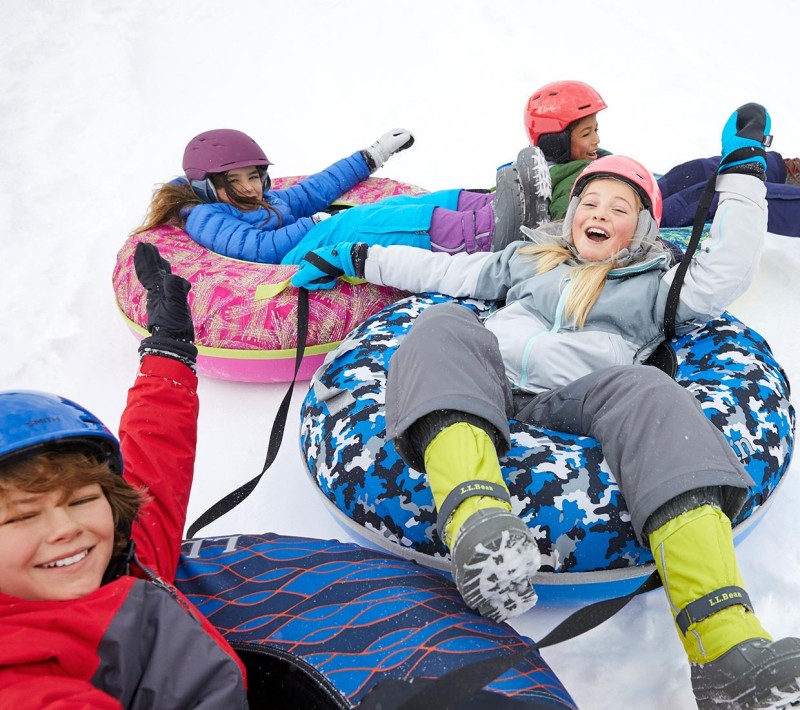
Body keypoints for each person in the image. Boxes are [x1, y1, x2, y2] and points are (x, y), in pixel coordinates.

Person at [289, 104, 800, 709]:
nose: (600, 214)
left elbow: (730, 265)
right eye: (590, 203)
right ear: (571, 214)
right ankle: (481, 530)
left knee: (653, 392)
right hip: (486, 385)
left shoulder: (658, 285)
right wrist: (357, 259)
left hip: (578, 403)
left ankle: (726, 648)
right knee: (444, 321)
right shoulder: (528, 261)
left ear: (639, 227)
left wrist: (741, 168)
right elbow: (444, 271)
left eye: (619, 208)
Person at [0, 243, 247, 706]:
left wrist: (169, 346)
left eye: (80, 501)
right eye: (20, 517)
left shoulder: (117, 558)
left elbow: (154, 462)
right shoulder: (21, 677)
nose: (66, 529)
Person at [136, 127, 543, 265]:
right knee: (363, 222)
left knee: (392, 207)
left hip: (303, 239)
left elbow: (315, 189)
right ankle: (487, 234)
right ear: (208, 186)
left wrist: (372, 155)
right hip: (289, 260)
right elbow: (260, 250)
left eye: (254, 176)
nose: (248, 188)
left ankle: (488, 204)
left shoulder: (264, 200)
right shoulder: (207, 216)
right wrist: (316, 223)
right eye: (234, 181)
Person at [525, 79, 800, 237]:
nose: (596, 140)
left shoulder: (580, 161)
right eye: (586, 133)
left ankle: (783, 169)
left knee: (691, 171)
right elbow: (572, 228)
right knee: (718, 194)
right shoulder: (560, 183)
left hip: (638, 194)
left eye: (595, 130)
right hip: (638, 222)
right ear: (556, 144)